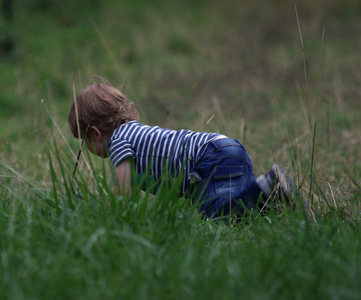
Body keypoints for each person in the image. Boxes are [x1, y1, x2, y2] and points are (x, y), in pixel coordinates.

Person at [68, 82, 302, 219]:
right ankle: (273, 198)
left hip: (209, 158)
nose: (87, 149)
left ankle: (267, 187)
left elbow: (123, 191)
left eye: (84, 142)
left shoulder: (118, 140)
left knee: (214, 212)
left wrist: (112, 218)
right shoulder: (134, 131)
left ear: (95, 134)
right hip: (226, 148)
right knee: (238, 213)